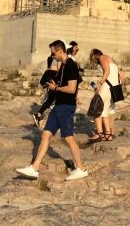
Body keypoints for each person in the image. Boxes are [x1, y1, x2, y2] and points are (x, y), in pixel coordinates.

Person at [16, 40, 88, 181]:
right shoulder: (63, 65)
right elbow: (63, 84)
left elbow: (72, 88)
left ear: (61, 51)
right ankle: (34, 168)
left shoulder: (71, 65)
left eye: (53, 53)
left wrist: (56, 88)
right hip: (58, 106)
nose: (52, 55)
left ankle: (81, 168)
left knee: (68, 138)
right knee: (46, 135)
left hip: (66, 106)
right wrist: (55, 85)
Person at [89, 48, 120, 142]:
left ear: (95, 55)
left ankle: (99, 134)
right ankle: (108, 135)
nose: (94, 61)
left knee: (96, 108)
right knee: (105, 110)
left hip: (107, 87)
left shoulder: (102, 57)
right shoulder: (110, 59)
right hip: (114, 88)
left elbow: (107, 71)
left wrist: (100, 84)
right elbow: (121, 76)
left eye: (93, 58)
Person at [32, 45, 63, 129]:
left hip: (49, 76)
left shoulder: (51, 58)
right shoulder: (58, 59)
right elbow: (60, 70)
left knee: (51, 99)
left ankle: (39, 115)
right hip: (53, 76)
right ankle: (40, 115)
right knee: (54, 98)